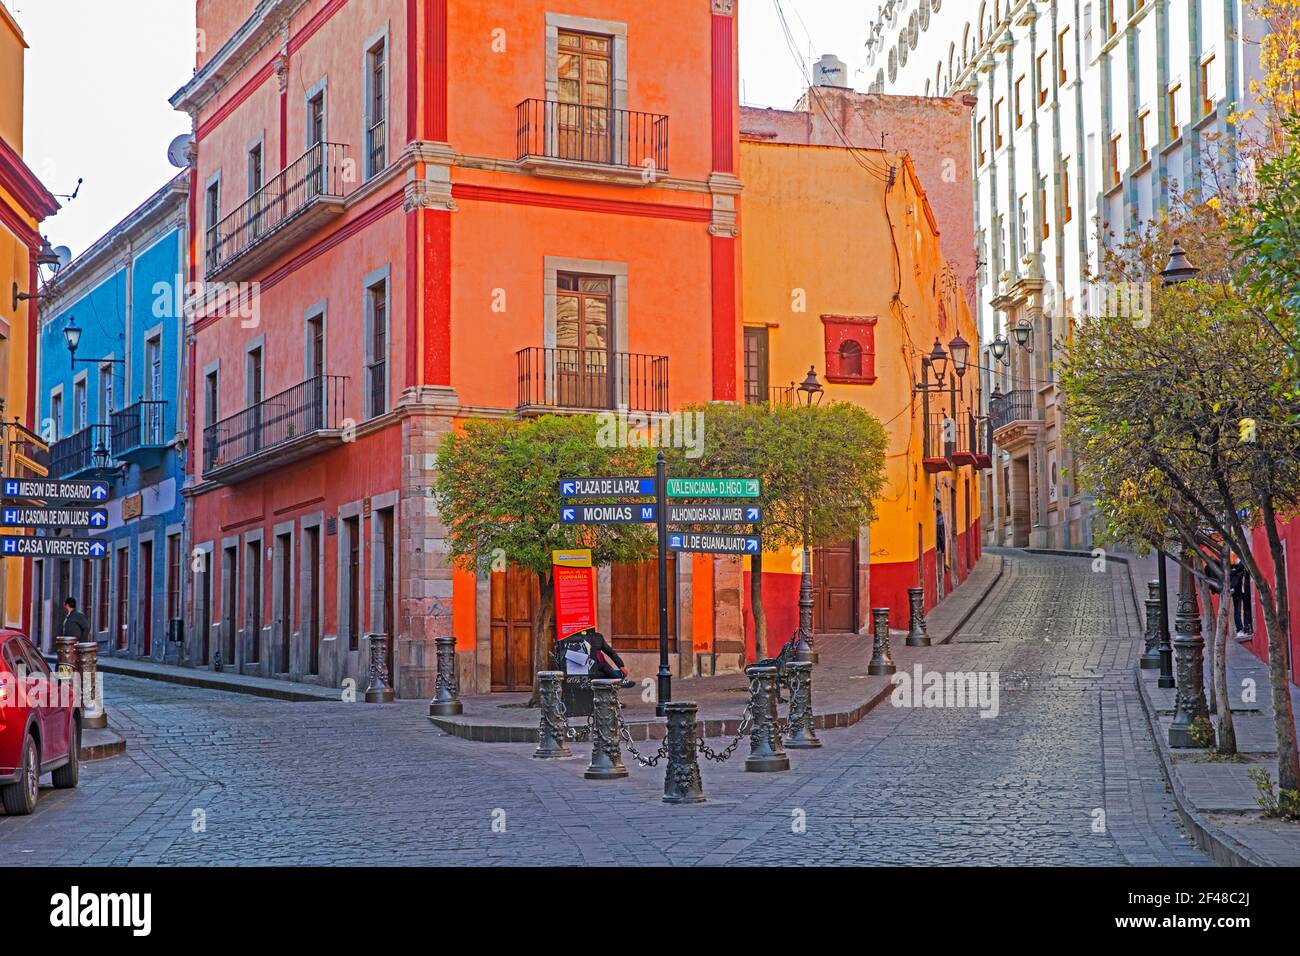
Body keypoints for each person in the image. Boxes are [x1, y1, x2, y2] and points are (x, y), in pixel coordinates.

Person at [568, 629, 634, 688]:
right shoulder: (572, 638)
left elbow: (610, 652)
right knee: (604, 667)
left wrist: (621, 666)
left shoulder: (597, 637)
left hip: (598, 668)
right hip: (582, 668)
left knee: (614, 672)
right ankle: (619, 681)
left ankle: (617, 684)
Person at [1229, 559, 1253, 640]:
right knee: (1238, 611)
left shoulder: (1242, 571)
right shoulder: (1234, 572)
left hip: (1244, 592)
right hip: (1237, 593)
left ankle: (1247, 627)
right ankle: (1240, 629)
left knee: (1246, 609)